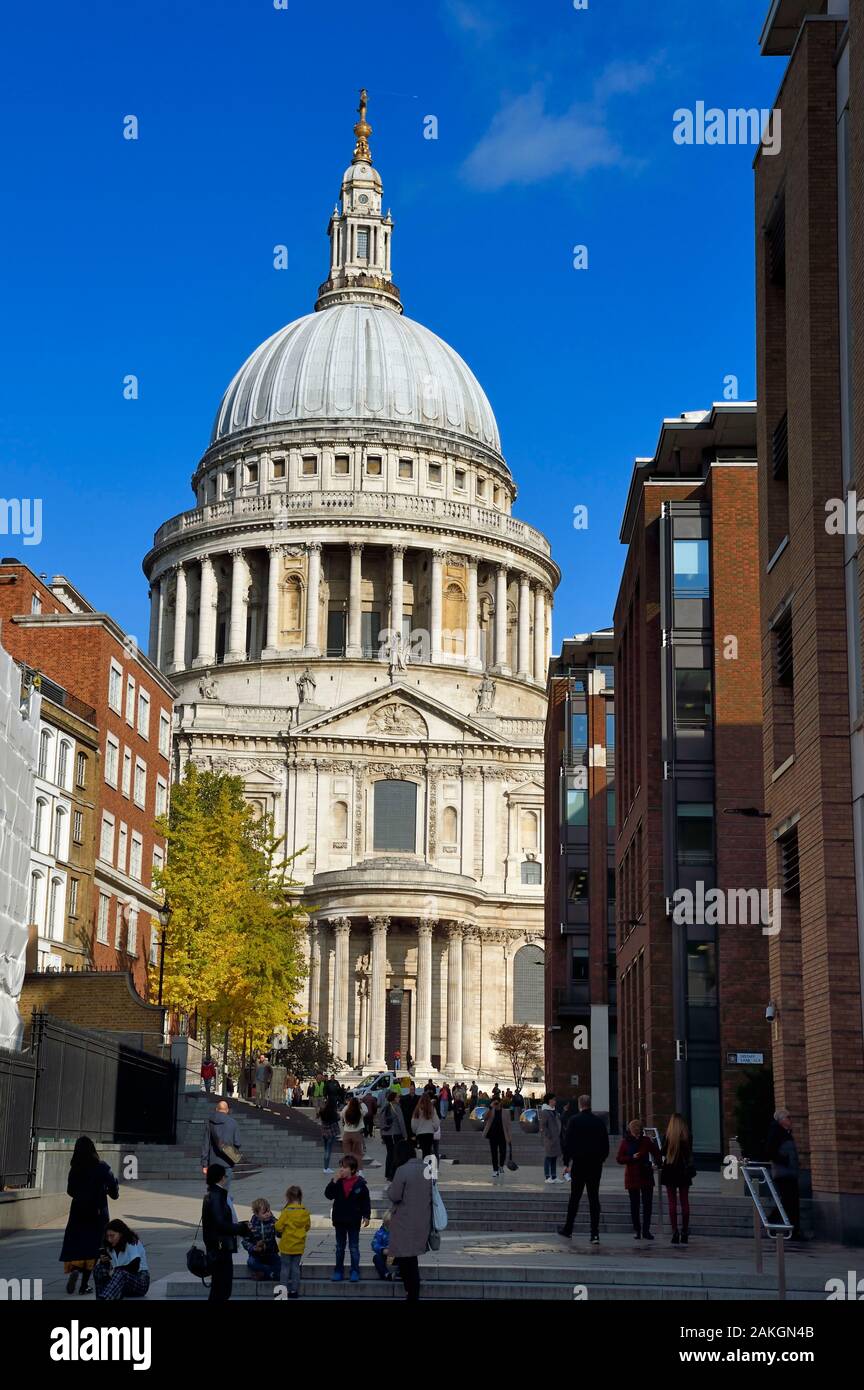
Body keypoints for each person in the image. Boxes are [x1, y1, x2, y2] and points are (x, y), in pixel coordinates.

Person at [60, 1137, 120, 1295]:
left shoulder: (75, 1169)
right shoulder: (102, 1167)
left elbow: (70, 1190)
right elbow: (113, 1188)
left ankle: (75, 1269)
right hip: (97, 1212)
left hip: (78, 1211)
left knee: (79, 1244)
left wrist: (82, 1195)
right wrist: (109, 1191)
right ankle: (84, 1284)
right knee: (94, 1247)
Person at [557, 1095, 610, 1243]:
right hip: (595, 1165)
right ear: (590, 1104)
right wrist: (600, 1159)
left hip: (579, 1164)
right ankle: (594, 1234)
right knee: (594, 1198)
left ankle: (568, 1229)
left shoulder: (574, 1121)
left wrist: (567, 1162)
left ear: (580, 1105)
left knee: (575, 1197)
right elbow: (605, 1146)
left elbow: (568, 1143)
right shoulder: (599, 1122)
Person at [386, 1140, 433, 1302]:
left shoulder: (402, 1170)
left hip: (404, 1222)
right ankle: (411, 1293)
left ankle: (412, 1294)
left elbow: (394, 1195)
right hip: (422, 1220)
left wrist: (389, 1189)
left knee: (408, 1260)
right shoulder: (427, 1169)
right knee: (411, 1258)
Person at [202, 1163, 250, 1302]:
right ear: (221, 1178)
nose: (226, 1178)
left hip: (218, 1247)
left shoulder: (213, 1194)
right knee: (222, 1288)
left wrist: (241, 1226)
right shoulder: (217, 1196)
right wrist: (242, 1228)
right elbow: (220, 1224)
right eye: (225, 1175)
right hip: (220, 1248)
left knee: (219, 1287)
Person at [325, 1155, 371, 1283]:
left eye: (344, 1167)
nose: (341, 1170)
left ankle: (354, 1270)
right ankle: (338, 1270)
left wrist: (366, 1215)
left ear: (352, 1169)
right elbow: (328, 1195)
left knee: (353, 1247)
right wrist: (333, 1181)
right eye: (341, 1167)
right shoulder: (338, 1182)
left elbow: (365, 1201)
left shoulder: (360, 1184)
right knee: (339, 1247)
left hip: (353, 1220)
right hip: (339, 1219)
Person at [617, 1119, 661, 1240]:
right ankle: (638, 1229)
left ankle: (645, 1230)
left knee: (647, 1204)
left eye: (638, 1133)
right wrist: (631, 1157)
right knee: (635, 1204)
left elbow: (656, 1152)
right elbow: (619, 1158)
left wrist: (657, 1163)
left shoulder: (646, 1141)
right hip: (633, 1176)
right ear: (630, 1131)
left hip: (645, 1174)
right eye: (634, 1133)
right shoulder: (625, 1142)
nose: (636, 1135)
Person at [765, 1108, 802, 1240]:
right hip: (783, 1172)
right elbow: (770, 1151)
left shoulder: (785, 1133)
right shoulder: (777, 1133)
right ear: (781, 1120)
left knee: (790, 1201)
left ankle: (791, 1229)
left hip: (789, 1172)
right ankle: (774, 1223)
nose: (790, 1120)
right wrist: (785, 1160)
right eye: (788, 1117)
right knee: (788, 1201)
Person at [93, 1220, 150, 1301]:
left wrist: (116, 1270)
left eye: (112, 1236)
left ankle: (105, 1298)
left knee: (120, 1273)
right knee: (99, 1268)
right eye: (107, 1236)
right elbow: (109, 1270)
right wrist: (103, 1262)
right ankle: (101, 1297)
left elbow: (135, 1265)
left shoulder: (131, 1242)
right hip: (120, 1282)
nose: (109, 1239)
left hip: (139, 1281)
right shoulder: (110, 1246)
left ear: (121, 1234)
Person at [661, 1113, 695, 1246]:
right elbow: (689, 1153)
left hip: (670, 1170)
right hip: (684, 1171)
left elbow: (662, 1152)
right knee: (684, 1201)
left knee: (672, 1202)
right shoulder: (687, 1137)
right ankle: (685, 1231)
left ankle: (675, 1231)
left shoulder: (668, 1137)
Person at [275, 1185, 311, 1299]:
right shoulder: (305, 1211)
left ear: (288, 1197)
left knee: (285, 1267)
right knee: (295, 1267)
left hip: (286, 1244)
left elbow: (278, 1227)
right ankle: (294, 1291)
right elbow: (307, 1226)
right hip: (299, 1245)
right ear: (300, 1196)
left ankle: (282, 1292)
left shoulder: (286, 1211)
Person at [201, 1100, 242, 1188]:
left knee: (213, 1191)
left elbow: (206, 1144)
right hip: (227, 1163)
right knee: (224, 1192)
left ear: (216, 1109)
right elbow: (237, 1143)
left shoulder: (209, 1123)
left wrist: (204, 1164)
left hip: (213, 1164)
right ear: (227, 1110)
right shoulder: (233, 1123)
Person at [242, 1197, 281, 1280]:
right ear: (256, 1214)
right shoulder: (252, 1225)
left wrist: (280, 1228)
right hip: (256, 1255)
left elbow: (279, 1234)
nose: (267, 1214)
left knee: (281, 1263)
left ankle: (263, 1274)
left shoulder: (273, 1222)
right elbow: (244, 1241)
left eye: (268, 1211)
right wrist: (254, 1248)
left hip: (271, 1253)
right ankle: (269, 1272)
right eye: (264, 1212)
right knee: (251, 1262)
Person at [379, 1089, 408, 1179]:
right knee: (395, 1154)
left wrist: (382, 1133)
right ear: (394, 1098)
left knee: (389, 1153)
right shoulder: (396, 1107)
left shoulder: (385, 1107)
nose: (399, 1098)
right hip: (395, 1133)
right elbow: (401, 1121)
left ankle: (387, 1173)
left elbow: (381, 1121)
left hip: (386, 1134)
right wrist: (405, 1134)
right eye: (398, 1097)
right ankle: (393, 1173)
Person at [482, 1096, 512, 1180]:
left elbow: (509, 1125)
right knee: (494, 1153)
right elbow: (484, 1118)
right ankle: (495, 1169)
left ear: (500, 1102)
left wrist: (509, 1136)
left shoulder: (505, 1112)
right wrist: (490, 1107)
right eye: (494, 1102)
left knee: (503, 1151)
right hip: (492, 1135)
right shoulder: (490, 1110)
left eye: (497, 1102)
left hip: (503, 1135)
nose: (496, 1104)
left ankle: (501, 1165)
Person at [539, 1093, 563, 1183]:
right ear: (549, 1100)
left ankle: (554, 1176)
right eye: (553, 1099)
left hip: (556, 1138)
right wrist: (549, 1136)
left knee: (554, 1157)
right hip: (549, 1139)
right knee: (548, 1157)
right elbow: (543, 1126)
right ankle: (547, 1177)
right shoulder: (545, 1111)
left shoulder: (553, 1110)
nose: (555, 1101)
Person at [411, 1094, 441, 1159]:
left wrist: (415, 1130)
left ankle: (422, 1164)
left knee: (422, 1150)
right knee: (428, 1151)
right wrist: (433, 1128)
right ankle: (427, 1166)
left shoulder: (417, 1109)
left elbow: (413, 1123)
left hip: (420, 1134)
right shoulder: (432, 1109)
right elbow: (436, 1122)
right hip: (429, 1133)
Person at [340, 1096, 368, 1166]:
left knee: (347, 1154)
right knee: (358, 1153)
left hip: (347, 1133)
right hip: (357, 1133)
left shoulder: (346, 1110)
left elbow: (341, 1114)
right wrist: (361, 1103)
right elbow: (366, 1110)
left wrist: (348, 1105)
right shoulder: (360, 1111)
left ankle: (348, 1169)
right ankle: (359, 1171)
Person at [319, 1094, 341, 1173]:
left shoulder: (323, 1110)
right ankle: (326, 1168)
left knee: (326, 1150)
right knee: (328, 1150)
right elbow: (338, 1118)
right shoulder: (333, 1112)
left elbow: (320, 1116)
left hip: (324, 1133)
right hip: (331, 1133)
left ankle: (325, 1167)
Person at [371, 1211, 393, 1281]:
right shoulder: (380, 1233)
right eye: (388, 1225)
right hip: (385, 1255)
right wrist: (383, 1250)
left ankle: (401, 1273)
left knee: (406, 1258)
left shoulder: (399, 1232)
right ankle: (386, 1274)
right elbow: (374, 1244)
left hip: (396, 1255)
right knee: (376, 1258)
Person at [399, 1081, 419, 1155]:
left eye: (413, 1089)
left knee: (414, 1138)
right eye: (411, 1089)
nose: (412, 1091)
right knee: (408, 1137)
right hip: (407, 1120)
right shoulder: (404, 1098)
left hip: (415, 1120)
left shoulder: (418, 1098)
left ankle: (413, 1151)